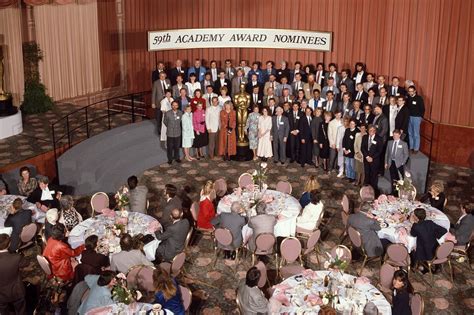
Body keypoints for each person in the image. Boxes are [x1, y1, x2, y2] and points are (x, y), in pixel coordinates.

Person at [410, 207, 448, 272]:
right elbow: (444, 230)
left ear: (416, 217)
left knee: (411, 250)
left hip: (425, 252)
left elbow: (413, 234)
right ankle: (435, 266)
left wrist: (413, 223)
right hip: (435, 248)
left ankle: (414, 266)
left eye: (414, 215)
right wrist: (433, 235)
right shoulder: (430, 222)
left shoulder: (416, 226)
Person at [0, 234, 27, 314]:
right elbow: (26, 263)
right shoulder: (16, 257)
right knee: (21, 312)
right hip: (17, 292)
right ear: (9, 244)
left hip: (1, 295)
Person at [361, 125, 384, 196]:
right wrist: (367, 156)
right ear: (368, 131)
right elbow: (362, 148)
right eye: (370, 130)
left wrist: (372, 158)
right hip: (366, 159)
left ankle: (373, 191)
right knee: (367, 174)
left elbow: (379, 151)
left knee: (374, 176)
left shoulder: (379, 139)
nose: (371, 132)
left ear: (375, 131)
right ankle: (366, 191)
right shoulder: (364, 137)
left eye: (373, 130)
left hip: (375, 161)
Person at [385, 130, 409, 195]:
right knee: (393, 178)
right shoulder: (390, 142)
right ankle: (393, 192)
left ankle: (399, 193)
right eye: (394, 135)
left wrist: (402, 163)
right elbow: (387, 153)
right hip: (391, 163)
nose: (394, 136)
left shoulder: (404, 144)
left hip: (399, 164)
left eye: (396, 135)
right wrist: (386, 162)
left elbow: (406, 155)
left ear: (399, 135)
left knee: (399, 179)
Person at [163, 100, 183, 165]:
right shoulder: (167, 113)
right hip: (170, 133)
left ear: (178, 106)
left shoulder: (180, 113)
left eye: (176, 105)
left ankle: (177, 158)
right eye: (173, 105)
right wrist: (169, 127)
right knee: (170, 147)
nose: (174, 106)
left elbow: (181, 121)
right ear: (171, 106)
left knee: (177, 146)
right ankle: (170, 159)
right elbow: (165, 121)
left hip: (178, 132)